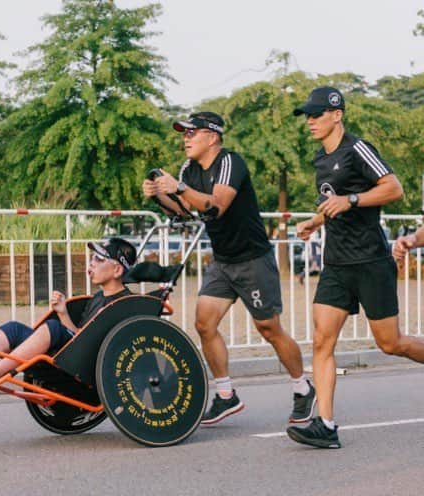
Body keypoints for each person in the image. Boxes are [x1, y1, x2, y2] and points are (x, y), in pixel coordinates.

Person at [142, 111, 315, 426]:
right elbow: (184, 212)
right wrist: (160, 196)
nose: (185, 138)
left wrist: (177, 187)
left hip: (252, 260)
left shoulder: (230, 163)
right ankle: (226, 395)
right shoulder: (189, 170)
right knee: (204, 324)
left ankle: (303, 387)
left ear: (212, 137)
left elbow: (216, 206)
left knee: (269, 329)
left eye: (191, 133)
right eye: (183, 133)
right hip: (222, 261)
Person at [287, 86, 424, 449]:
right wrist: (315, 222)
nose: (311, 122)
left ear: (337, 114)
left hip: (370, 263)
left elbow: (394, 188)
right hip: (336, 265)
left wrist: (352, 200)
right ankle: (326, 424)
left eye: (317, 115)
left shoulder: (358, 148)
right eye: (308, 116)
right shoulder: (320, 159)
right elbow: (332, 203)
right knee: (321, 340)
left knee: (391, 343)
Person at [0, 237, 136, 386]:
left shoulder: (123, 305)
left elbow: (87, 343)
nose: (91, 263)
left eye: (99, 259)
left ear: (117, 270)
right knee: (14, 329)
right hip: (70, 356)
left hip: (82, 370)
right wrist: (63, 311)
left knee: (53, 328)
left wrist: (62, 317)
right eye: (92, 258)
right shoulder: (98, 298)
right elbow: (79, 334)